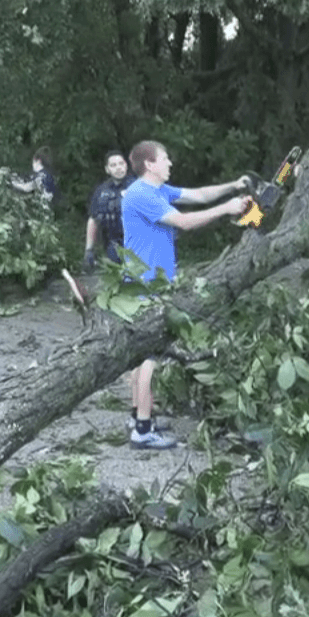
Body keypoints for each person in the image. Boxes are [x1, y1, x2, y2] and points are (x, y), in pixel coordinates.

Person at [120, 140, 252, 449]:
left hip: (154, 281)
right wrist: (228, 209)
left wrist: (235, 185)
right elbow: (184, 221)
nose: (170, 164)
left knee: (144, 355)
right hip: (146, 283)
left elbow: (199, 195)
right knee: (151, 354)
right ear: (150, 164)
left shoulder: (159, 191)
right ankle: (142, 429)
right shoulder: (141, 194)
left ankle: (140, 413)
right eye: (165, 159)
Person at [84, 150, 133, 270]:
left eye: (121, 164)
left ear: (126, 165)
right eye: (113, 165)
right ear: (107, 169)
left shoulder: (138, 186)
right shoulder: (101, 191)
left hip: (137, 243)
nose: (118, 168)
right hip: (112, 245)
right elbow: (93, 219)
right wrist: (89, 249)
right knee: (117, 283)